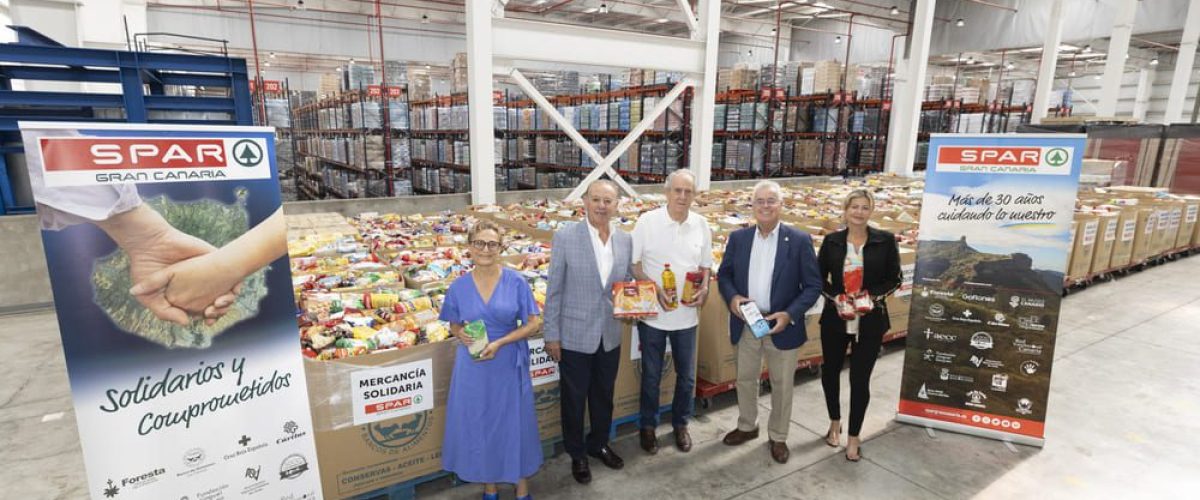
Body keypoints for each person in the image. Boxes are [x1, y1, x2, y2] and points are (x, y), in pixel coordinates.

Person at [716, 180, 822, 464]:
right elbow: (724, 275)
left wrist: (789, 314)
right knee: (746, 379)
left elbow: (813, 286)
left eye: (771, 200)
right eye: (759, 201)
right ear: (752, 205)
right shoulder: (739, 239)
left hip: (781, 325)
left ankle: (778, 436)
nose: (765, 205)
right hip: (747, 323)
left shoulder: (799, 240)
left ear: (781, 205)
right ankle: (747, 426)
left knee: (782, 384)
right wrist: (733, 298)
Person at [438, 221, 544, 500]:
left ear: (501, 247)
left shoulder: (516, 282)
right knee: (480, 424)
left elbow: (533, 323)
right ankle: (490, 488)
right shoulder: (458, 286)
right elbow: (454, 325)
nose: (486, 249)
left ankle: (522, 489)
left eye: (492, 244)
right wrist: (465, 336)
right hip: (473, 366)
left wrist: (500, 342)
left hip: (507, 362)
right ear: (469, 247)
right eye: (480, 243)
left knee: (514, 424)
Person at [543, 179, 632, 484]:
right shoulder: (566, 237)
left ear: (617, 204)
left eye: (608, 200)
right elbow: (553, 290)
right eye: (596, 199)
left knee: (603, 395)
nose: (601, 206)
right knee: (574, 398)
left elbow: (626, 284)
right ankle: (577, 453)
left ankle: (599, 444)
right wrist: (551, 335)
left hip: (609, 333)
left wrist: (638, 300)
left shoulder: (624, 240)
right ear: (585, 201)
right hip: (574, 334)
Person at [630, 168, 712, 454]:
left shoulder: (702, 224)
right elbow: (634, 265)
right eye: (677, 190)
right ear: (666, 193)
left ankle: (680, 424)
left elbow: (705, 267)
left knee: (686, 376)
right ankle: (648, 427)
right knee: (651, 375)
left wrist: (704, 290)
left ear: (694, 195)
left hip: (687, 318)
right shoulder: (647, 222)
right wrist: (654, 288)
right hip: (653, 316)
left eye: (688, 191)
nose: (682, 196)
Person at [817, 189, 902, 462]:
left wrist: (871, 296)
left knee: (860, 379)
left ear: (871, 211)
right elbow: (818, 279)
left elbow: (895, 278)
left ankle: (854, 436)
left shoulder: (885, 241)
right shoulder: (831, 242)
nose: (859, 212)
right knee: (830, 372)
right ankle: (834, 421)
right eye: (854, 206)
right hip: (836, 317)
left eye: (865, 207)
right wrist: (836, 297)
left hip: (870, 319)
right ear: (845, 210)